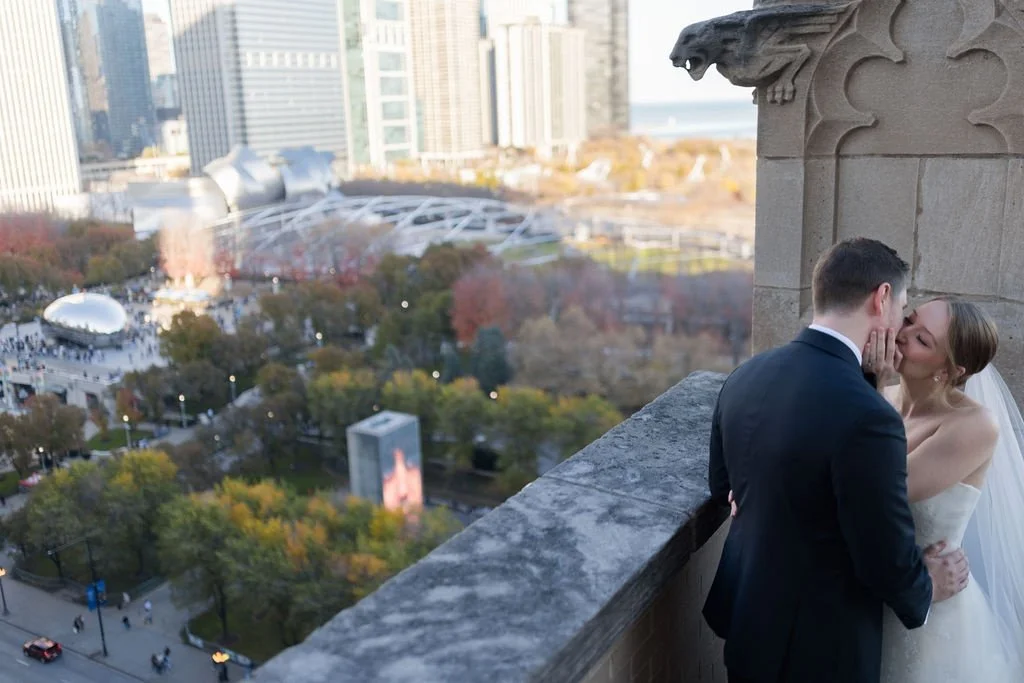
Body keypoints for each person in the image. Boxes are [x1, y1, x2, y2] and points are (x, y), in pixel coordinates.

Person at [703, 238, 971, 683]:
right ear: (881, 297)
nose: (901, 322)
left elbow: (723, 488)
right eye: (902, 307)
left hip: (749, 628)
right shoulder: (871, 418)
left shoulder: (745, 375)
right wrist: (927, 590)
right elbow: (880, 553)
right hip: (820, 650)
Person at [862, 298, 1024, 680]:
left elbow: (881, 495)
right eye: (908, 320)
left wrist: (865, 386)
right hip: (870, 599)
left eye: (922, 339)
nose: (900, 336)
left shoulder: (975, 425)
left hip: (932, 613)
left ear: (949, 370)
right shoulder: (880, 399)